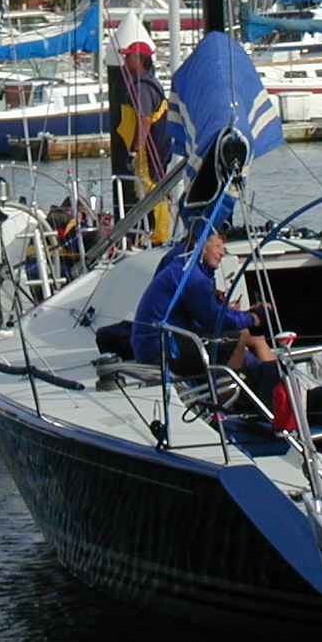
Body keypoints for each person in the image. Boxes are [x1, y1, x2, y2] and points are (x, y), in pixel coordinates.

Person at [130, 232, 276, 389]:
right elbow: (212, 320)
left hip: (159, 343)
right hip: (162, 349)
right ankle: (224, 398)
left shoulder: (184, 265)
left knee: (234, 338)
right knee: (235, 340)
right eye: (217, 246)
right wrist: (254, 318)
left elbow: (204, 313)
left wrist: (237, 314)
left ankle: (237, 387)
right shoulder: (193, 276)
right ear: (200, 247)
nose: (222, 253)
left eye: (223, 248)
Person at [119, 40, 172, 245]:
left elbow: (144, 120)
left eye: (128, 56)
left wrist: (134, 151)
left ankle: (159, 237)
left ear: (141, 60)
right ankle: (153, 233)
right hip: (156, 146)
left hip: (148, 149)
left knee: (150, 189)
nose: (124, 60)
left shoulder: (141, 87)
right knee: (150, 188)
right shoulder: (148, 83)